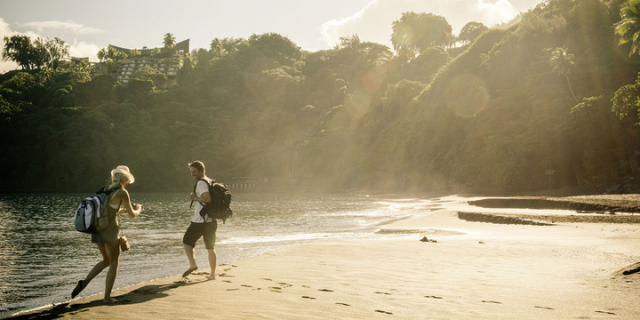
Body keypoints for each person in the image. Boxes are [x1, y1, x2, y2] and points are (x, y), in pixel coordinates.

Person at [72, 165, 142, 303]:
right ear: (125, 178)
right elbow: (132, 215)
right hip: (110, 231)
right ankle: (107, 297)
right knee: (114, 262)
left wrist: (124, 210)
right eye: (128, 179)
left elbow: (110, 210)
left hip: (98, 229)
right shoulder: (122, 193)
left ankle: (85, 282)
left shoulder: (104, 190)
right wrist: (138, 209)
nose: (128, 182)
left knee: (106, 260)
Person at [182, 160, 217, 280]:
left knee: (187, 242)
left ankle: (193, 264)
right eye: (191, 172)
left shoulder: (201, 183)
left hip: (200, 221)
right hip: (212, 220)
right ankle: (212, 275)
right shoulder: (210, 181)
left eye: (195, 172)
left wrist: (195, 198)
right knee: (210, 247)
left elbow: (207, 199)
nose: (193, 174)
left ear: (202, 170)